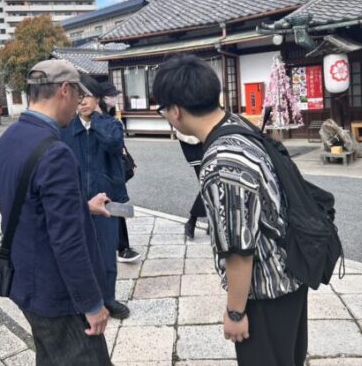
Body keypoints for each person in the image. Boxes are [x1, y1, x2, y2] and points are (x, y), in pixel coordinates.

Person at [152, 55, 307, 366]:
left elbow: (238, 251)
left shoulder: (222, 162)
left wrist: (235, 312)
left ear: (175, 110)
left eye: (163, 109)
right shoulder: (238, 125)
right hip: (290, 272)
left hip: (265, 291)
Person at [0, 59, 113, 365]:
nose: (79, 104)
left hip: (24, 281)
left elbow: (30, 206)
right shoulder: (55, 152)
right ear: (64, 90)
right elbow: (68, 241)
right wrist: (92, 303)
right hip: (58, 293)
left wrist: (83, 208)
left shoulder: (9, 138)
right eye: (78, 95)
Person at [60, 75, 131, 319]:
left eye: (87, 96)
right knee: (77, 252)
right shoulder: (67, 128)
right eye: (77, 96)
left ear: (98, 98)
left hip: (106, 201)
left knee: (106, 255)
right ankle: (82, 300)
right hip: (77, 201)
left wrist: (98, 117)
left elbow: (113, 144)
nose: (81, 101)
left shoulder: (112, 125)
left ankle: (108, 299)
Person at [100, 81, 141, 263]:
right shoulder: (98, 120)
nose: (115, 98)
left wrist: (129, 160)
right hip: (104, 170)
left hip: (113, 170)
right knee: (112, 206)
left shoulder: (111, 118)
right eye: (112, 95)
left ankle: (122, 247)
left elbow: (120, 146)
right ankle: (122, 248)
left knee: (114, 206)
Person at [175, 130, 207, 240]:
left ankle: (211, 222)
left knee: (212, 183)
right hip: (194, 140)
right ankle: (192, 221)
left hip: (209, 138)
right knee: (208, 184)